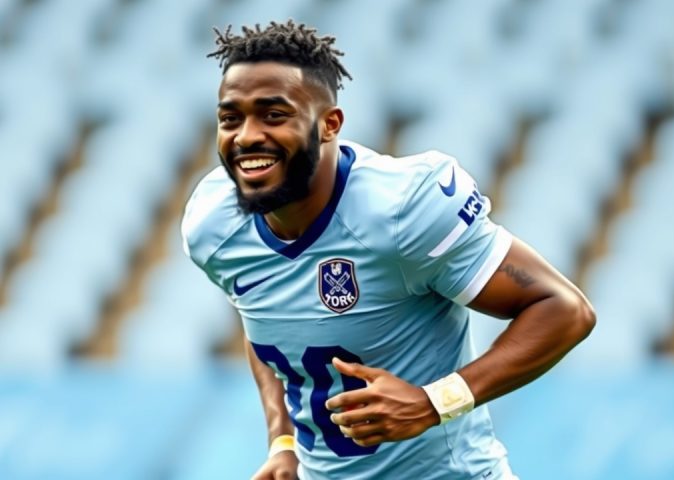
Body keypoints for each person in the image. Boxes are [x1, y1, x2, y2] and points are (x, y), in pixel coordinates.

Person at [182, 20, 596, 480]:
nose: (246, 136)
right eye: (230, 118)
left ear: (329, 124)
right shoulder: (214, 222)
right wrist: (283, 443)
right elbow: (264, 320)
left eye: (274, 115)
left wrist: (434, 402)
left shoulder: (402, 210)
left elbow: (564, 310)